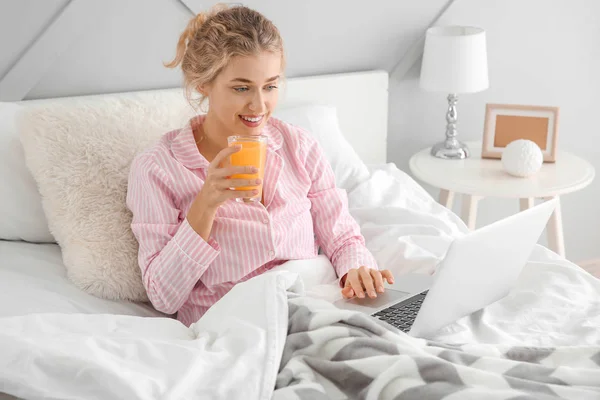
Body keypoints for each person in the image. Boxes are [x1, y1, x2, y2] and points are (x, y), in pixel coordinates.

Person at [126, 4, 394, 326]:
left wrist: (357, 270)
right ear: (203, 83)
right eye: (241, 88)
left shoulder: (300, 146)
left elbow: (342, 237)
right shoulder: (158, 168)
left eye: (270, 86)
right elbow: (162, 295)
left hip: (316, 305)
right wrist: (205, 205)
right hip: (237, 323)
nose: (259, 105)